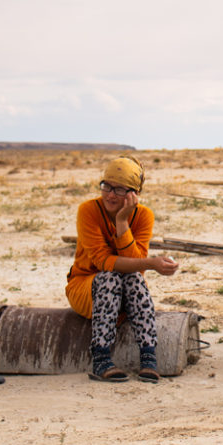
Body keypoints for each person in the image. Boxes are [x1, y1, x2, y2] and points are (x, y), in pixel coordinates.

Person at [66, 157, 179, 383]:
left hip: (124, 294)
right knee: (110, 278)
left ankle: (148, 357)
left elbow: (133, 265)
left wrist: (122, 222)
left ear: (133, 194)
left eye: (118, 189)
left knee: (134, 279)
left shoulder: (143, 216)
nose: (110, 194)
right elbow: (102, 262)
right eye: (106, 186)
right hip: (86, 288)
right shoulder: (88, 211)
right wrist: (151, 263)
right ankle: (100, 359)